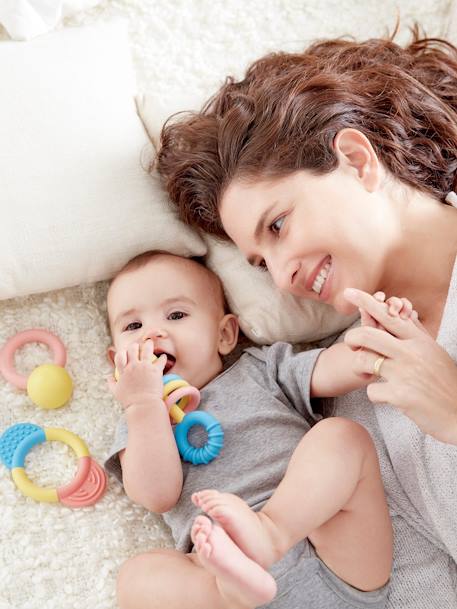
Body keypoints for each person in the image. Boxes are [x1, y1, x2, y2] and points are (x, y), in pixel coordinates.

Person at [156, 29, 457, 608]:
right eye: (259, 263)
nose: (280, 276)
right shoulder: (345, 400)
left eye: (277, 225)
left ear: (354, 158)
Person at [104, 250, 419, 609]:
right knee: (138, 577)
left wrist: (372, 344)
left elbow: (328, 369)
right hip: (226, 576)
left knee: (341, 437)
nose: (153, 334)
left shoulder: (260, 369)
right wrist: (143, 405)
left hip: (333, 559)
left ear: (224, 334)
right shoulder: (141, 420)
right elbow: (155, 494)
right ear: (116, 361)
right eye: (132, 327)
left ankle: (272, 531)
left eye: (176, 315)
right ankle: (228, 593)